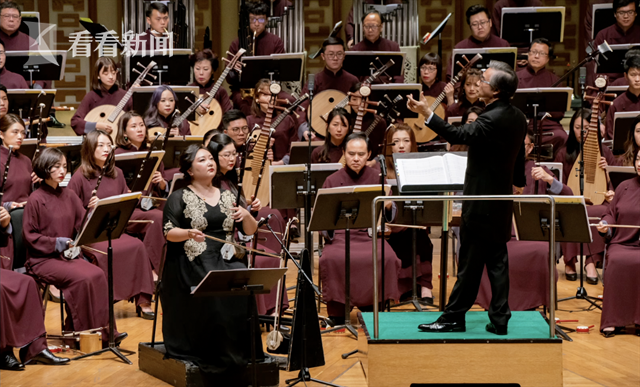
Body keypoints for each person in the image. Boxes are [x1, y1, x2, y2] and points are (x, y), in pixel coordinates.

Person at [407, 60, 526, 335]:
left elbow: (459, 134)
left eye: (484, 81)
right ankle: (499, 319)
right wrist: (518, 182)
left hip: (481, 203)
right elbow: (519, 155)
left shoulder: (489, 119)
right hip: (500, 203)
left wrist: (428, 112)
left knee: (469, 265)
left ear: (495, 91)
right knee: (497, 262)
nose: (479, 83)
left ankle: (452, 318)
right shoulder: (518, 117)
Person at [161, 144, 262, 382]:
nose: (209, 163)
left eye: (210, 158)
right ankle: (218, 354)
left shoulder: (229, 194)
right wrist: (187, 233)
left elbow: (249, 231)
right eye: (202, 160)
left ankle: (241, 353)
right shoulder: (178, 197)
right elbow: (168, 232)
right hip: (193, 258)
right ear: (189, 170)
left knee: (243, 283)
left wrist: (247, 215)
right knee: (216, 290)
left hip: (227, 256)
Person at [24, 148, 127, 346]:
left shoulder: (69, 195)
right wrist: (57, 243)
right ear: (44, 168)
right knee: (83, 278)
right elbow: (31, 237)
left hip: (67, 257)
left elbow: (83, 225)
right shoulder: (35, 199)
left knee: (97, 274)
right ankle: (86, 334)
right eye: (56, 167)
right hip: (43, 259)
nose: (62, 170)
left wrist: (97, 212)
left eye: (64, 166)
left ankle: (105, 332)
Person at [476, 130, 571, 312]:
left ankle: (533, 302)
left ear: (530, 148)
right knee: (482, 250)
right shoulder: (495, 167)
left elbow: (568, 196)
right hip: (499, 233)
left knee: (541, 251)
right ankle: (495, 304)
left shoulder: (538, 170)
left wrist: (550, 180)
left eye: (523, 145)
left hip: (530, 235)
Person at [67, 130, 155, 319]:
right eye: (100, 145)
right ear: (90, 148)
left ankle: (144, 301)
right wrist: (89, 209)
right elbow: (70, 212)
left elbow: (124, 203)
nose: (106, 149)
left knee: (138, 246)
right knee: (107, 253)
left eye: (108, 145)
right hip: (91, 233)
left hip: (113, 230)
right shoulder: (79, 177)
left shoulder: (118, 173)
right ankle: (106, 302)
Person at [320, 132, 401, 324]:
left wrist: (389, 205)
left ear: (369, 155)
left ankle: (374, 307)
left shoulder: (378, 177)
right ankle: (338, 313)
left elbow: (391, 215)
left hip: (370, 236)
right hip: (339, 237)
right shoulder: (331, 180)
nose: (356, 159)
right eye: (351, 153)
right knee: (331, 258)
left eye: (361, 154)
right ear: (344, 153)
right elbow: (323, 221)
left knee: (387, 257)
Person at [555, 109, 620, 283]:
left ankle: (591, 262)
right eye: (577, 127)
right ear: (571, 128)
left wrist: (607, 173)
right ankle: (570, 261)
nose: (581, 132)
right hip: (571, 201)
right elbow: (556, 184)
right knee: (571, 210)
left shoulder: (605, 153)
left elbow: (614, 188)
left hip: (598, 202)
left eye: (586, 128)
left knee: (602, 211)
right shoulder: (563, 153)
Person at [382, 123, 435, 302]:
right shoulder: (381, 170)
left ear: (413, 143)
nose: (402, 145)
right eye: (396, 141)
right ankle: (403, 287)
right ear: (389, 145)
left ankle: (424, 286)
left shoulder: (422, 168)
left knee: (421, 238)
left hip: (415, 223)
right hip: (390, 227)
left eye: (406, 141)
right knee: (402, 237)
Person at [115, 111, 167, 275]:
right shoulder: (117, 155)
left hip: (149, 204)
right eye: (134, 126)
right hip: (128, 209)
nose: (139, 129)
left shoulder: (153, 152)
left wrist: (161, 182)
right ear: (124, 132)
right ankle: (158, 271)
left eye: (141, 125)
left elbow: (162, 189)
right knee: (157, 218)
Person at [596, 149, 640, 338]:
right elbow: (610, 213)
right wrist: (605, 224)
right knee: (616, 260)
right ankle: (613, 320)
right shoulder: (624, 187)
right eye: (638, 159)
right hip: (621, 243)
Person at [227, 2, 285, 112]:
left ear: (267, 20)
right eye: (253, 19)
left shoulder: (276, 42)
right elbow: (229, 79)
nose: (257, 23)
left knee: (289, 99)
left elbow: (280, 72)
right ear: (248, 21)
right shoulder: (236, 43)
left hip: (269, 89)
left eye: (261, 20)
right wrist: (233, 70)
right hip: (244, 91)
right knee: (243, 103)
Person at [298, 36, 359, 141]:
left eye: (339, 54)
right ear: (323, 56)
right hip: (318, 135)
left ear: (344, 55)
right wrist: (305, 129)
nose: (335, 58)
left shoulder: (352, 80)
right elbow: (301, 108)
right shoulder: (315, 80)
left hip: (346, 135)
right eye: (331, 54)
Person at [0, 114, 39, 270]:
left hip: (27, 214)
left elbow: (30, 191)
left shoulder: (26, 160)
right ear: (1, 134)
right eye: (15, 132)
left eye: (23, 133)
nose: (20, 137)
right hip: (6, 219)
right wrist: (8, 205)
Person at [516, 38, 568, 153]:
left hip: (547, 125)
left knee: (562, 137)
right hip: (523, 124)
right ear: (528, 54)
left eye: (541, 53)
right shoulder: (515, 78)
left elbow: (559, 112)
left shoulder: (555, 80)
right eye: (533, 52)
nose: (536, 56)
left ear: (548, 58)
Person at [70, 57, 133, 136]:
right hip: (97, 141)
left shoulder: (125, 95)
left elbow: (135, 120)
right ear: (98, 75)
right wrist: (96, 125)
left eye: (113, 73)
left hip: (120, 140)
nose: (111, 77)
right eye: (106, 74)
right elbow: (75, 122)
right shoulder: (91, 96)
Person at [447, 5, 510, 81]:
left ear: (490, 23)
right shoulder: (460, 48)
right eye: (475, 24)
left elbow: (510, 75)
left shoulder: (503, 45)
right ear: (470, 27)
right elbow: (451, 78)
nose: (480, 27)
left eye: (483, 22)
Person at [246, 79, 297, 166]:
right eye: (265, 95)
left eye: (273, 95)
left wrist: (282, 162)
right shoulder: (249, 121)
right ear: (257, 98)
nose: (270, 98)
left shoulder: (287, 119)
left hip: (283, 167)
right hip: (257, 168)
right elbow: (246, 149)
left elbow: (295, 146)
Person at [590, 0, 640, 87]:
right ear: (614, 14)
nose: (626, 16)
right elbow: (594, 69)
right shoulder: (603, 35)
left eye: (630, 12)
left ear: (636, 13)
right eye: (621, 12)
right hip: (610, 84)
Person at [350, 10, 403, 83]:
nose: (370, 30)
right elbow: (352, 78)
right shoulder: (355, 50)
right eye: (367, 26)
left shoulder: (393, 47)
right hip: (363, 91)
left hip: (388, 90)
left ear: (381, 27)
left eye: (374, 26)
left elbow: (398, 76)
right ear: (362, 27)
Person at [604, 55, 640, 141]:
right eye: (633, 75)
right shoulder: (616, 104)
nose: (637, 79)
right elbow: (610, 137)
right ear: (626, 76)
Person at [188, 49, 232, 116]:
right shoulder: (188, 90)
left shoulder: (220, 91)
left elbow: (229, 115)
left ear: (212, 70)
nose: (201, 73)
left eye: (205, 69)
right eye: (197, 68)